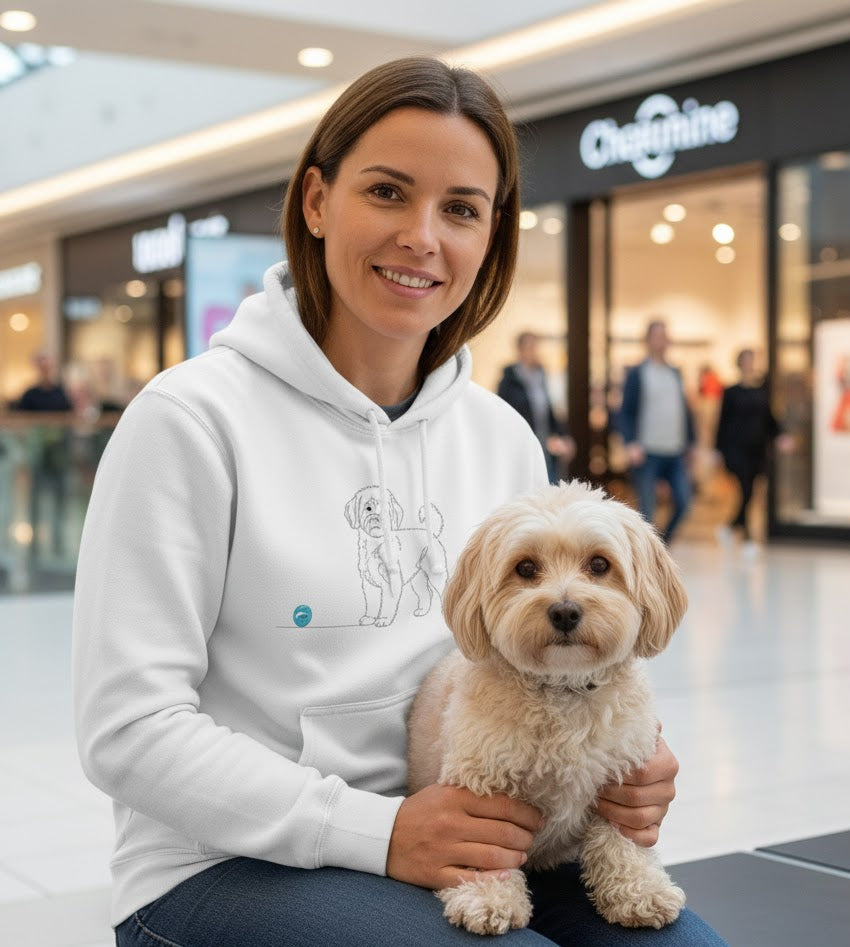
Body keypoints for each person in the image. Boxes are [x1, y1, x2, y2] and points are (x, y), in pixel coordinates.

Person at [72, 57, 726, 947]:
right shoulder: (187, 420)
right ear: (315, 201)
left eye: (460, 208)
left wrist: (625, 770)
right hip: (225, 866)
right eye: (387, 192)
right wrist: (377, 831)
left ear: (490, 234)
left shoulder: (500, 435)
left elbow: (551, 651)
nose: (422, 236)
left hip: (481, 834)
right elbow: (128, 730)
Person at [618, 319, 696, 545]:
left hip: (675, 451)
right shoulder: (637, 373)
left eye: (665, 335)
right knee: (647, 511)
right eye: (658, 335)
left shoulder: (675, 373)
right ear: (648, 340)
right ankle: (647, 555)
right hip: (647, 451)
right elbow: (626, 412)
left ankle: (660, 548)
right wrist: (630, 442)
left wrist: (691, 442)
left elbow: (684, 410)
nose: (662, 340)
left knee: (684, 502)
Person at [714, 349, 793, 554]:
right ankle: (748, 537)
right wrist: (718, 451)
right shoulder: (731, 392)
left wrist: (781, 436)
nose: (750, 364)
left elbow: (770, 420)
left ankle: (732, 525)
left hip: (757, 450)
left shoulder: (761, 391)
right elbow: (722, 423)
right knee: (745, 488)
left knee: (751, 490)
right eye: (746, 360)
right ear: (739, 364)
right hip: (736, 449)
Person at [14, 351, 73, 559]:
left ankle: (57, 545)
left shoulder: (60, 392)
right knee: (35, 501)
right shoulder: (30, 394)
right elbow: (21, 421)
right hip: (38, 454)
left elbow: (70, 417)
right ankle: (34, 548)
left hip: (57, 455)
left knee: (59, 499)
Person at [497, 330, 575, 482]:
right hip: (520, 447)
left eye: (536, 347)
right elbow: (503, 414)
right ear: (520, 350)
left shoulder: (541, 375)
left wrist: (563, 436)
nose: (535, 351)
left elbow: (549, 410)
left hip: (544, 444)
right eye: (531, 347)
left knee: (549, 484)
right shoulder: (509, 380)